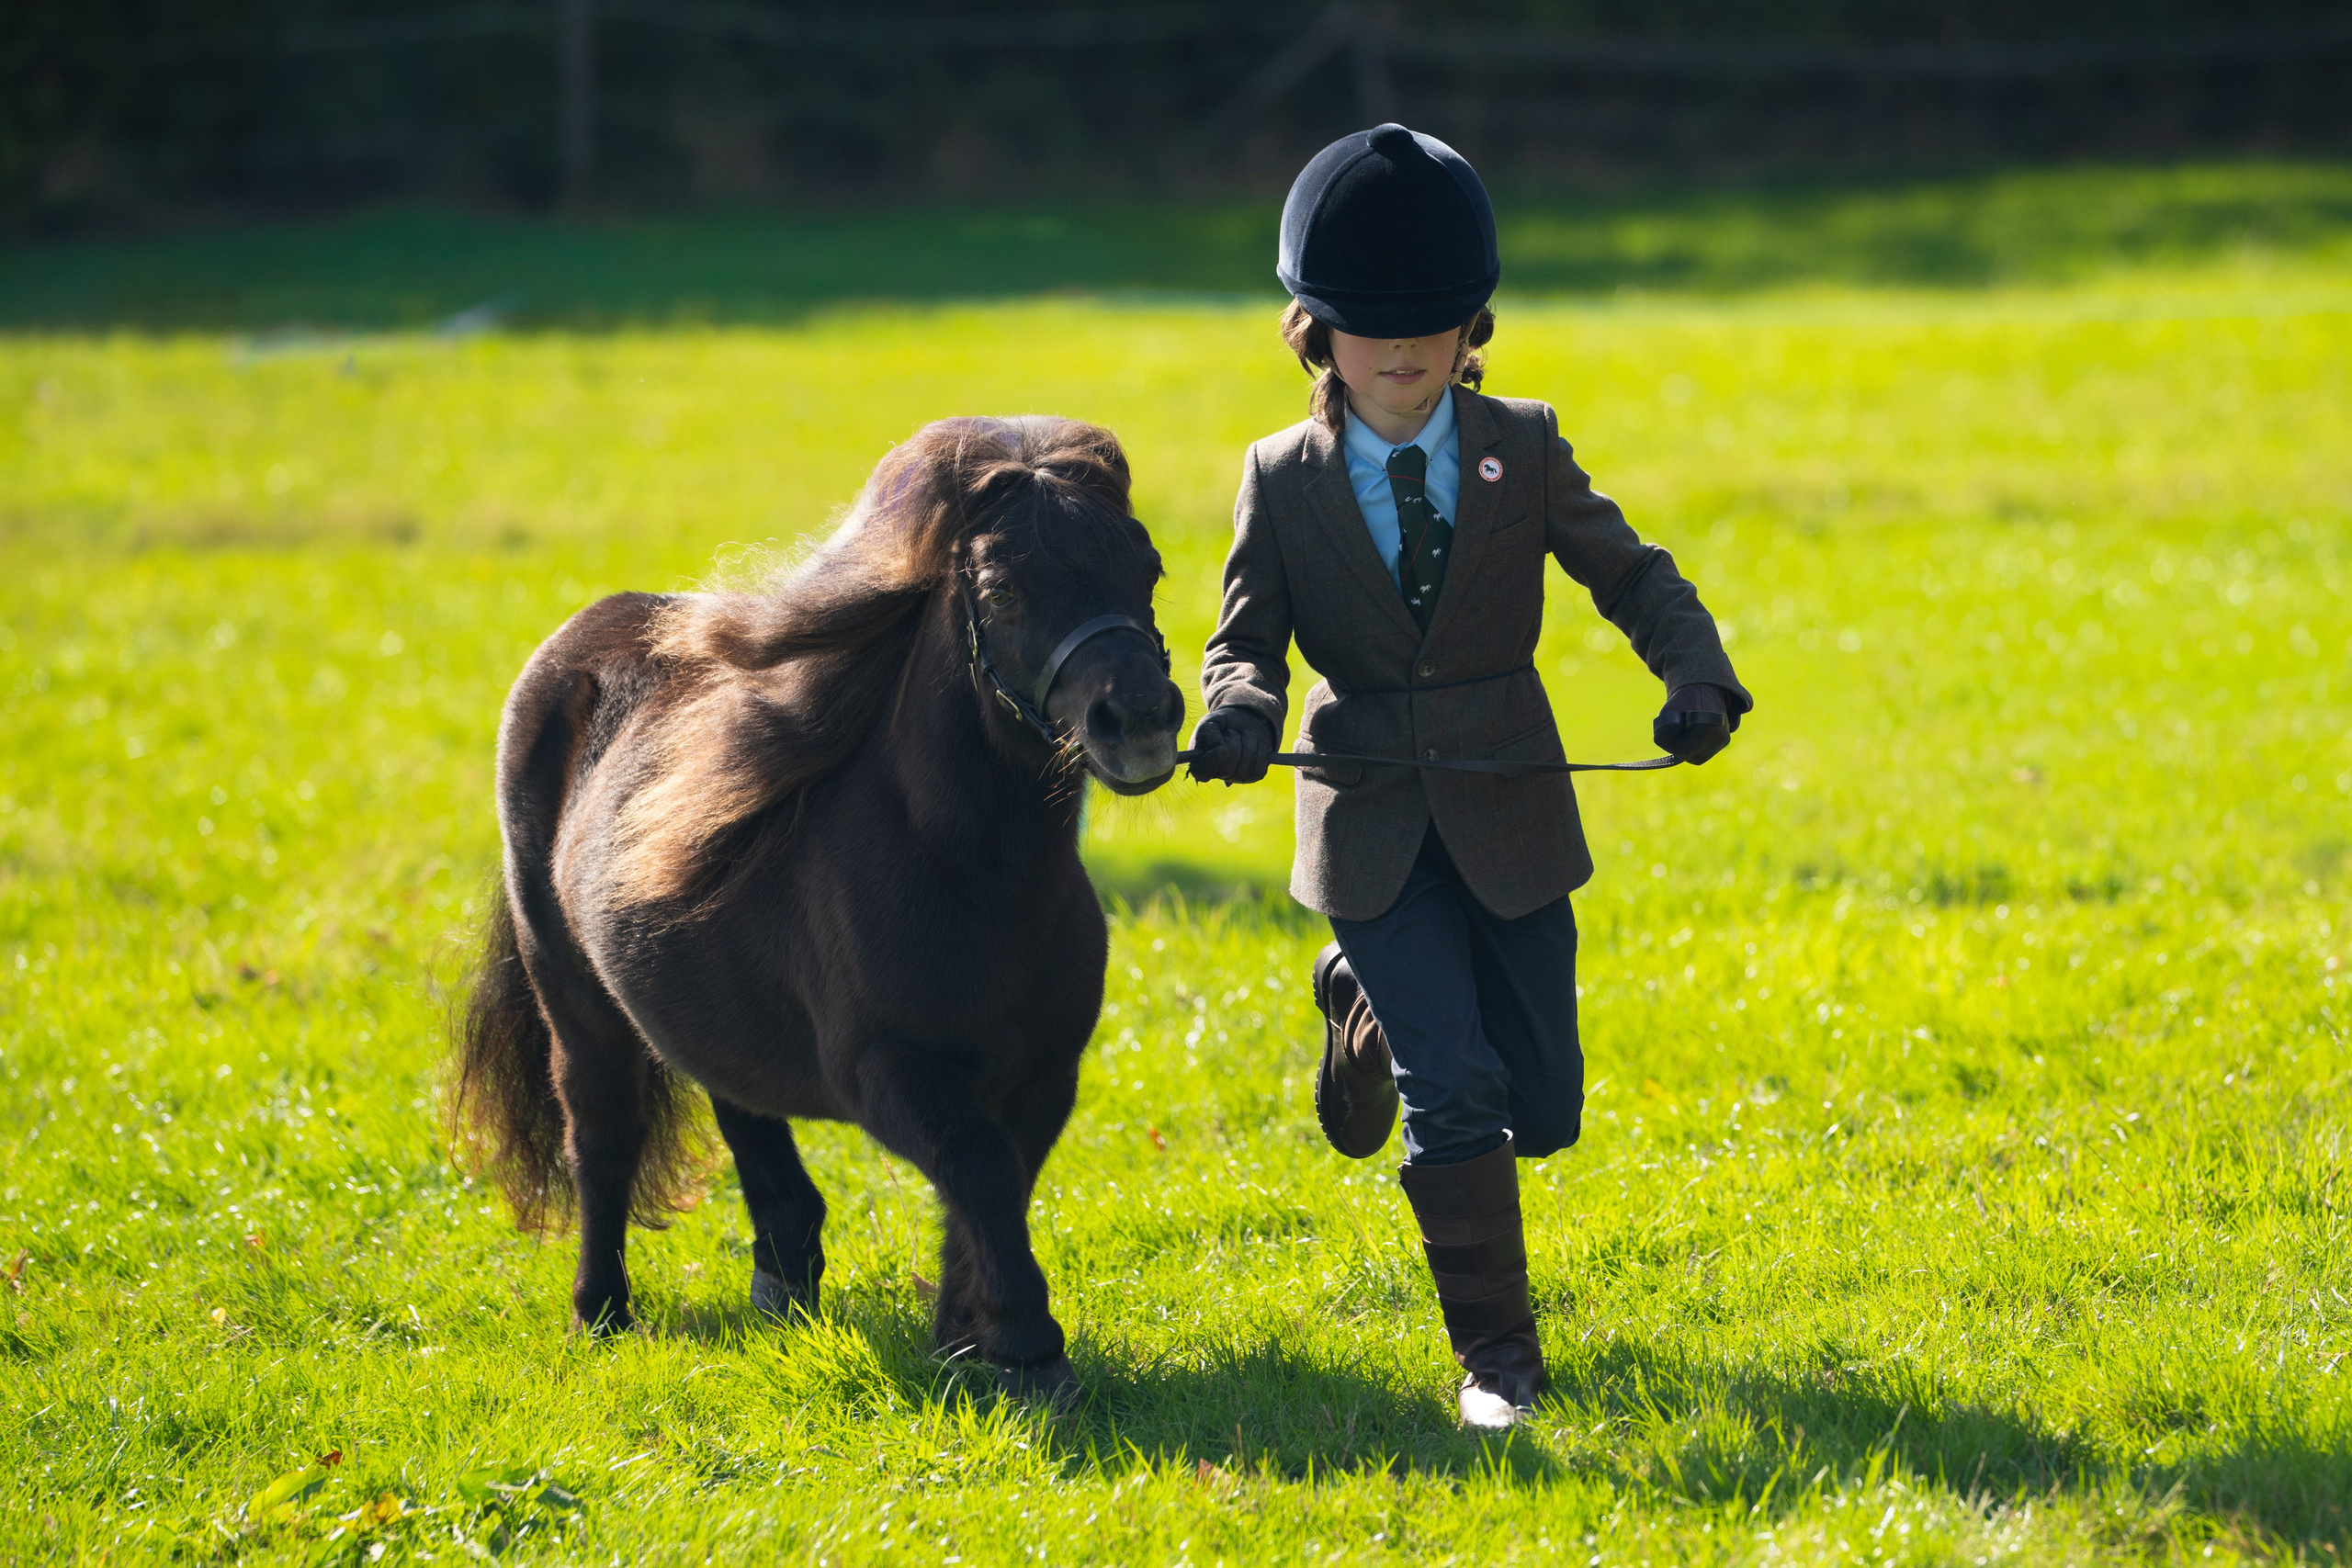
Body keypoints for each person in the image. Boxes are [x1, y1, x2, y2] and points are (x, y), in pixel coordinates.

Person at [1188, 124, 1750, 1430]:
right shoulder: (1280, 481)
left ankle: (1362, 1007)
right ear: (1314, 332)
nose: (1402, 353)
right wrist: (1237, 711)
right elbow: (1242, 640)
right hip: (1369, 818)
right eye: (1369, 329)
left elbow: (1634, 574)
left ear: (1472, 324)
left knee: (1540, 1104)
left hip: (1508, 809)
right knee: (1458, 1098)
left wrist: (1698, 678)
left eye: (1431, 326)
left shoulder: (1525, 446)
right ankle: (1500, 1363)